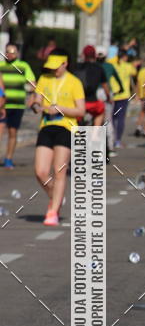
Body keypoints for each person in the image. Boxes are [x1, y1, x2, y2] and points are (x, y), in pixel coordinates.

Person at [29, 52, 84, 226]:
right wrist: (38, 107)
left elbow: (81, 111)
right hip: (46, 126)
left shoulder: (75, 82)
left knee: (59, 171)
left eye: (56, 67)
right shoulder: (44, 78)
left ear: (65, 64)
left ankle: (53, 211)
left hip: (66, 127)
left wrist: (61, 108)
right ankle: (56, 197)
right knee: (41, 172)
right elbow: (36, 101)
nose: (53, 70)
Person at [74, 45, 110, 126]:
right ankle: (95, 134)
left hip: (78, 103)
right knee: (101, 112)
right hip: (93, 103)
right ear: (95, 55)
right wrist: (108, 98)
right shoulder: (99, 68)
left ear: (83, 55)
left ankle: (78, 135)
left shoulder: (77, 67)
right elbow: (105, 86)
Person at [111, 49, 138, 147]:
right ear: (125, 57)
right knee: (121, 119)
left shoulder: (112, 65)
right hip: (124, 96)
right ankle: (118, 140)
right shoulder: (128, 66)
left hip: (113, 95)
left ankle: (111, 138)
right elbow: (134, 73)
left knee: (112, 119)